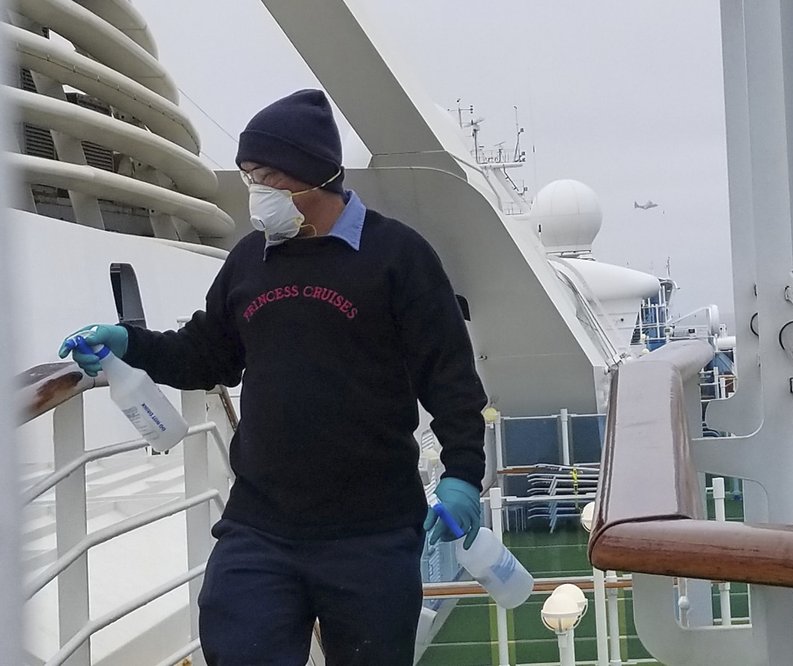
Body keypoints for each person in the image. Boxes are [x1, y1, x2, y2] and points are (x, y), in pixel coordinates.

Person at [58, 89, 488, 665]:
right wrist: (130, 344)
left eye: (264, 175)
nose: (253, 191)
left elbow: (450, 376)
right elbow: (206, 356)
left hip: (373, 532)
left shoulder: (399, 257)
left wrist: (462, 473)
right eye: (247, 174)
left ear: (313, 177)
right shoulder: (248, 260)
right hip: (260, 526)